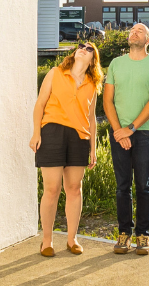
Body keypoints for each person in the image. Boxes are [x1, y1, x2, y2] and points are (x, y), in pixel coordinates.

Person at [31, 42, 102, 257]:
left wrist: (93, 148)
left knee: (74, 188)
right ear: (75, 52)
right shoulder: (55, 73)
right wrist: (36, 133)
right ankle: (46, 241)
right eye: (81, 46)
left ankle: (72, 240)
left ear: (93, 60)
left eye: (89, 48)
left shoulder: (92, 84)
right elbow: (40, 104)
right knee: (52, 189)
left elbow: (91, 119)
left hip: (79, 137)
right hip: (52, 132)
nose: (83, 48)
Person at [101, 24, 149, 255]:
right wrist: (119, 130)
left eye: (140, 30)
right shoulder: (116, 64)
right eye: (132, 30)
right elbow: (107, 101)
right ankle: (124, 234)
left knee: (143, 186)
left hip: (144, 133)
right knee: (122, 186)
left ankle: (143, 235)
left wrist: (131, 128)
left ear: (148, 39)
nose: (134, 32)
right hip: (120, 132)